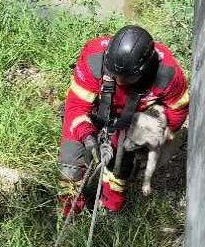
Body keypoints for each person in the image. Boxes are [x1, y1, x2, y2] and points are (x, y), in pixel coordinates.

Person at [58, 25, 189, 215]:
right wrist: (87, 135)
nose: (119, 81)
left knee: (121, 165)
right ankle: (69, 212)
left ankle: (112, 207)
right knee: (69, 164)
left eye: (126, 77)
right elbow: (76, 105)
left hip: (134, 121)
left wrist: (153, 136)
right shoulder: (95, 57)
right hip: (96, 112)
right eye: (114, 75)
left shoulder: (167, 73)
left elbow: (178, 110)